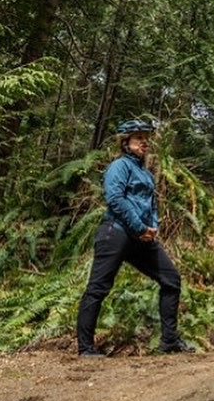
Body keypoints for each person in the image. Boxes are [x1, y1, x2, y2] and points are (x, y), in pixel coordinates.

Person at [76, 119, 194, 357]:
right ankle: (85, 348)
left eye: (145, 138)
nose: (144, 142)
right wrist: (140, 226)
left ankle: (169, 340)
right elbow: (116, 199)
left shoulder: (145, 173)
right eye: (139, 138)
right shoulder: (119, 167)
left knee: (171, 279)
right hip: (116, 232)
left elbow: (149, 204)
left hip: (142, 237)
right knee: (98, 287)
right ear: (125, 142)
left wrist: (152, 227)